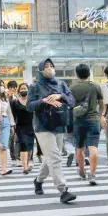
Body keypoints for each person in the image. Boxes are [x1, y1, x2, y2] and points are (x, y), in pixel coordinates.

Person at [27, 58, 76, 204]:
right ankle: (63, 190)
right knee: (54, 156)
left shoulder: (61, 84)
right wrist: (43, 101)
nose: (50, 69)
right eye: (46, 66)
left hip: (59, 123)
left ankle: (38, 180)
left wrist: (61, 96)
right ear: (41, 70)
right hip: (42, 126)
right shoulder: (35, 86)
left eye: (51, 66)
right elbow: (29, 106)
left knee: (52, 157)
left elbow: (72, 100)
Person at [69, 63, 104, 184]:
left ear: (77, 74)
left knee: (79, 148)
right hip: (93, 120)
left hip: (78, 121)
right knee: (93, 147)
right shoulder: (95, 86)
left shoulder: (72, 88)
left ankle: (82, 170)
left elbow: (70, 105)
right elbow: (102, 105)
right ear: (89, 73)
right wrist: (99, 116)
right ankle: (92, 174)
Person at [11, 83, 35, 174]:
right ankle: (25, 167)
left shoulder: (32, 101)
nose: (23, 90)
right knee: (24, 145)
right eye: (21, 89)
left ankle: (28, 163)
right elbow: (12, 116)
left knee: (29, 146)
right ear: (19, 90)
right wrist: (12, 126)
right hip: (20, 127)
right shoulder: (15, 102)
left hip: (31, 126)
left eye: (25, 88)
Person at [7, 80, 21, 167]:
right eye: (10, 87)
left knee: (18, 139)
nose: (12, 89)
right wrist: (9, 98)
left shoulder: (18, 96)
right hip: (9, 121)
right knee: (11, 140)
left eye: (14, 87)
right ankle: (13, 158)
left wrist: (16, 99)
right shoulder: (5, 97)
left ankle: (18, 157)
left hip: (18, 120)